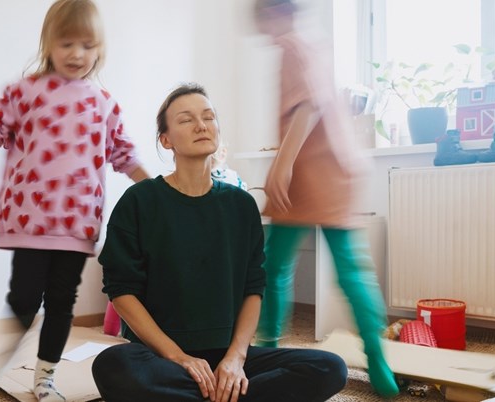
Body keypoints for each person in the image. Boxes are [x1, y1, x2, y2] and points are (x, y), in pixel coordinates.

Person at [0, 1, 148, 400]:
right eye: (66, 43)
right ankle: (15, 339)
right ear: (49, 44)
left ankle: (45, 376)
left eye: (87, 45)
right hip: (30, 219)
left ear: (100, 49)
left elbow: (123, 152)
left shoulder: (103, 102)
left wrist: (156, 186)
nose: (76, 54)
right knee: (23, 295)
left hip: (77, 223)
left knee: (60, 302)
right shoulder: (26, 92)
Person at [91, 83, 347, 402]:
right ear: (166, 139)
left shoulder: (240, 205)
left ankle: (211, 393)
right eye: (186, 119)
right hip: (162, 358)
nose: (201, 125)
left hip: (229, 356)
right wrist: (178, 357)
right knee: (113, 366)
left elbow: (254, 288)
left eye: (208, 117)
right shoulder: (138, 202)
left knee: (330, 367)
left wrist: (237, 358)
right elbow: (121, 291)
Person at [252, 0, 400, 398]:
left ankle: (266, 349)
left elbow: (307, 107)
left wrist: (281, 164)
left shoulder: (292, 47)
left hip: (310, 171)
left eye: (261, 14)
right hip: (338, 168)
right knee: (351, 269)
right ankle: (378, 362)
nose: (259, 23)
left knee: (275, 264)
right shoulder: (311, 45)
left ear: (274, 12)